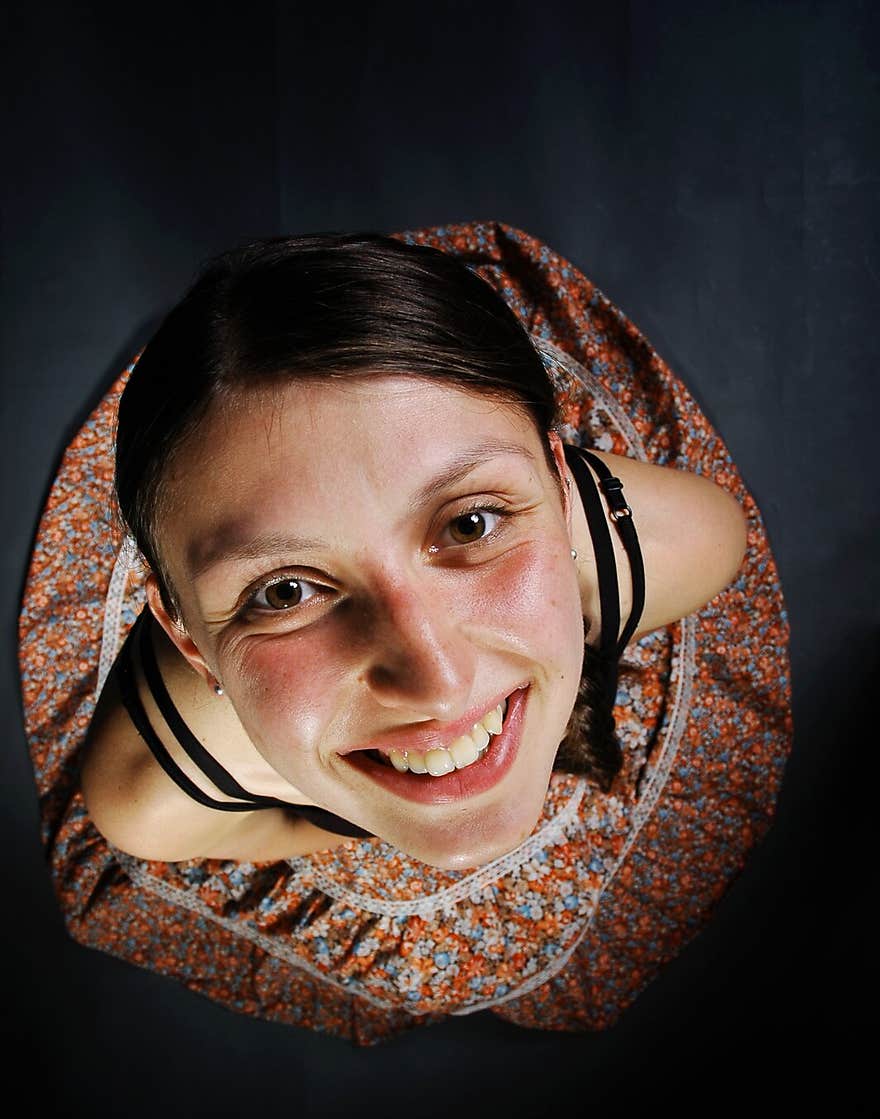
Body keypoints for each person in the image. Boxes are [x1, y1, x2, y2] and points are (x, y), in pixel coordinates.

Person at [19, 222, 792, 1046]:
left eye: (472, 521)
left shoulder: (692, 544)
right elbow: (278, 826)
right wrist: (356, 806)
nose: (438, 681)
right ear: (187, 638)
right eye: (284, 590)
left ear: (563, 488)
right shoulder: (148, 799)